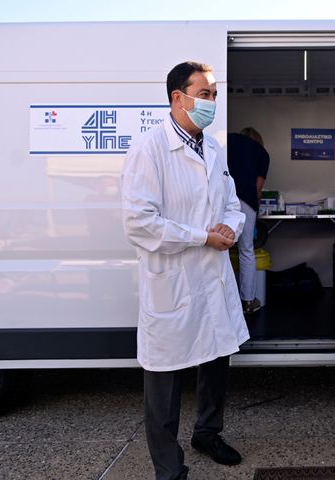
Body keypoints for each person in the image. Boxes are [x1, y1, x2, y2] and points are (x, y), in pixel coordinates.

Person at [122, 61, 249, 480]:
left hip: (210, 275)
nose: (212, 101)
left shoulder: (212, 148)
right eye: (206, 93)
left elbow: (231, 202)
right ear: (179, 97)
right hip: (173, 281)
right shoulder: (150, 148)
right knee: (165, 380)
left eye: (214, 94)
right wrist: (201, 237)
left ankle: (208, 433)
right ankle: (168, 467)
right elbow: (140, 222)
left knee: (216, 360)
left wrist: (232, 225)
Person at [227, 128, 270, 314]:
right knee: (246, 250)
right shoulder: (261, 152)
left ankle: (225, 301)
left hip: (223, 198)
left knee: (220, 249)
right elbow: (257, 187)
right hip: (245, 200)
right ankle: (248, 301)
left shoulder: (226, 141)